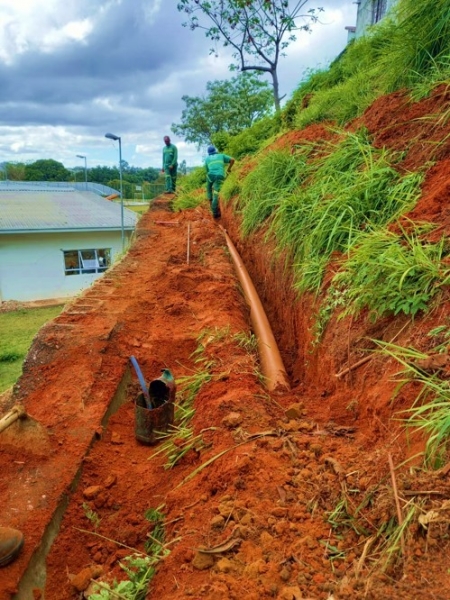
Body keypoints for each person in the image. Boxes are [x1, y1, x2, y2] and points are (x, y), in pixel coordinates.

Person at [205, 145, 235, 219]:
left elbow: (207, 171)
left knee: (209, 189)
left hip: (210, 176)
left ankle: (210, 201)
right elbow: (232, 160)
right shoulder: (221, 155)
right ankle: (215, 213)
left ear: (209, 153)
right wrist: (228, 169)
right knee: (216, 192)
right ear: (215, 151)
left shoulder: (207, 159)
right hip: (219, 176)